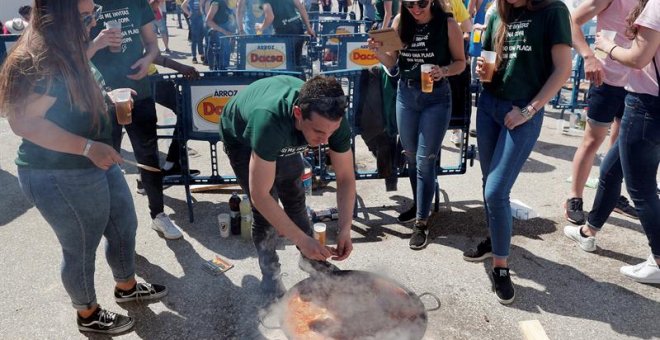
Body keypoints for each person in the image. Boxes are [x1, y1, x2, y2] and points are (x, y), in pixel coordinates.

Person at [0, 0, 167, 334]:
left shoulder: (70, 46)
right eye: (85, 17)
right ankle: (87, 313)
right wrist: (88, 147)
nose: (93, 23)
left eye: (93, 15)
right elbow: (24, 123)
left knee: (124, 222)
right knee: (80, 245)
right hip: (57, 171)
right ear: (55, 16)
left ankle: (126, 285)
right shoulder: (39, 58)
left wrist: (106, 103)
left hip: (93, 160)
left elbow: (68, 99)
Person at [462, 0, 572, 304]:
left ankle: (500, 267)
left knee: (496, 191)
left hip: (522, 111)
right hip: (488, 106)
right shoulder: (498, 11)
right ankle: (494, 238)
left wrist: (529, 110)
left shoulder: (553, 11)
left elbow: (563, 69)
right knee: (488, 185)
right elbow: (490, 64)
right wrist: (485, 68)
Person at [219, 75, 356, 298]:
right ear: (298, 114)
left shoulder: (331, 119)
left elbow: (346, 179)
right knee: (265, 213)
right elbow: (260, 196)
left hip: (288, 131)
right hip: (242, 138)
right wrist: (302, 240)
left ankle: (311, 262)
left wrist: (345, 229)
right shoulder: (269, 122)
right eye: (319, 133)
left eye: (331, 133)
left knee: (294, 195)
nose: (325, 140)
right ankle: (270, 277)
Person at [369, 0, 466, 249]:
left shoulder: (447, 23)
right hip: (407, 94)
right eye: (410, 3)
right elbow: (392, 63)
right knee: (411, 156)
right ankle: (418, 204)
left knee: (425, 159)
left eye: (421, 3)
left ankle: (422, 222)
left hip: (436, 98)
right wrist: (378, 53)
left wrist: (443, 70)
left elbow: (460, 62)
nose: (416, 8)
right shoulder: (400, 21)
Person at [88, 0, 185, 240]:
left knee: (148, 156)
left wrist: (147, 59)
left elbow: (152, 45)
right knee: (107, 162)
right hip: (102, 97)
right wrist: (96, 43)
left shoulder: (137, 2)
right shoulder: (87, 5)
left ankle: (159, 215)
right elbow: (74, 56)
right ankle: (113, 225)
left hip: (139, 93)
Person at [592, 0, 660, 283]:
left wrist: (607, 46)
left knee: (641, 188)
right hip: (649, 106)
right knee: (612, 166)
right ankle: (589, 229)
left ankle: (658, 258)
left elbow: (637, 58)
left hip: (646, 104)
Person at [563, 0, 638, 226]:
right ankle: (574, 198)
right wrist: (588, 56)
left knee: (620, 145)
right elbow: (573, 20)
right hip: (606, 78)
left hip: (637, 82)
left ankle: (612, 196)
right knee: (593, 140)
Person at [258, 0, 316, 67]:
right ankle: (299, 75)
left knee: (282, 64)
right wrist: (308, 28)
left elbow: (270, 17)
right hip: (297, 28)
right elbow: (301, 7)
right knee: (296, 61)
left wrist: (261, 27)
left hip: (282, 33)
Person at [205, 0, 236, 70]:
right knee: (218, 66)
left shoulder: (228, 2)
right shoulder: (216, 2)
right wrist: (224, 31)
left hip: (225, 38)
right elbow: (208, 21)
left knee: (224, 64)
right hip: (217, 37)